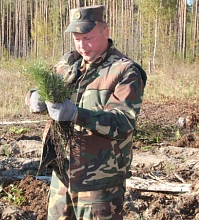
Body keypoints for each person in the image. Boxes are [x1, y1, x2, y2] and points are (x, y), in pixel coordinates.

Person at [26, 5, 147, 219]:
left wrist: (76, 114)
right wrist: (34, 96)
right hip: (62, 177)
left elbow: (123, 122)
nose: (83, 46)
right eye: (77, 39)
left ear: (105, 32)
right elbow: (43, 88)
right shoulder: (68, 63)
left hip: (100, 182)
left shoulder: (125, 71)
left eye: (88, 38)